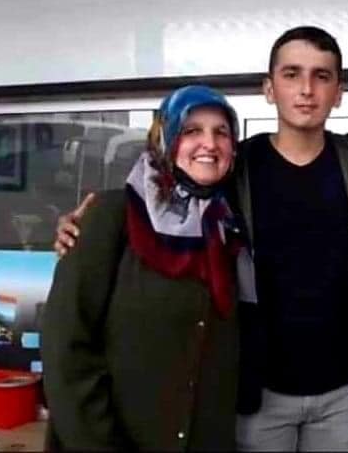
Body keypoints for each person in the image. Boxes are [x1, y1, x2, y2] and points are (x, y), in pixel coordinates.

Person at [53, 26, 348, 451]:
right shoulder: (233, 168)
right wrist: (86, 222)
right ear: (269, 89)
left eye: (321, 76)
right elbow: (163, 192)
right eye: (291, 74)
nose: (306, 89)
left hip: (340, 393)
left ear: (338, 92)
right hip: (257, 396)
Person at [42, 85, 242, 451]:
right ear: (164, 138)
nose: (210, 144)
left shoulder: (228, 227)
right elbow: (65, 348)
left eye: (222, 132)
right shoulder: (112, 216)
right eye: (191, 130)